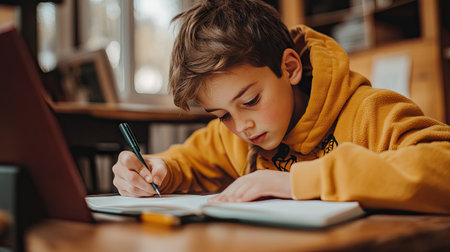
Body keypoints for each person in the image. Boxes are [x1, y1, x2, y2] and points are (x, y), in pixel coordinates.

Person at [112, 0, 450, 213]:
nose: (241, 125)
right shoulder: (236, 136)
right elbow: (187, 161)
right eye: (222, 115)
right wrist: (157, 172)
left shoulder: (367, 113)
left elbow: (443, 165)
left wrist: (294, 182)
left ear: (289, 68)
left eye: (250, 101)